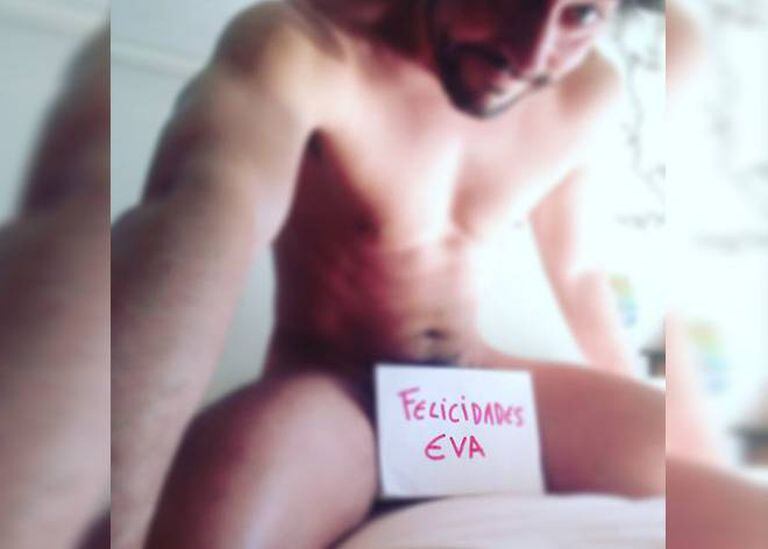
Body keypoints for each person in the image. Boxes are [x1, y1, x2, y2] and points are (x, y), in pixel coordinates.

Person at [112, 1, 668, 547]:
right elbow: (196, 233)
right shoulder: (305, 46)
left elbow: (578, 271)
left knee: (691, 474)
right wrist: (116, 496)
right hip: (336, 392)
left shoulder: (586, 89)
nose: (532, 55)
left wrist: (630, 385)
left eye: (582, 14)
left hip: (470, 388)